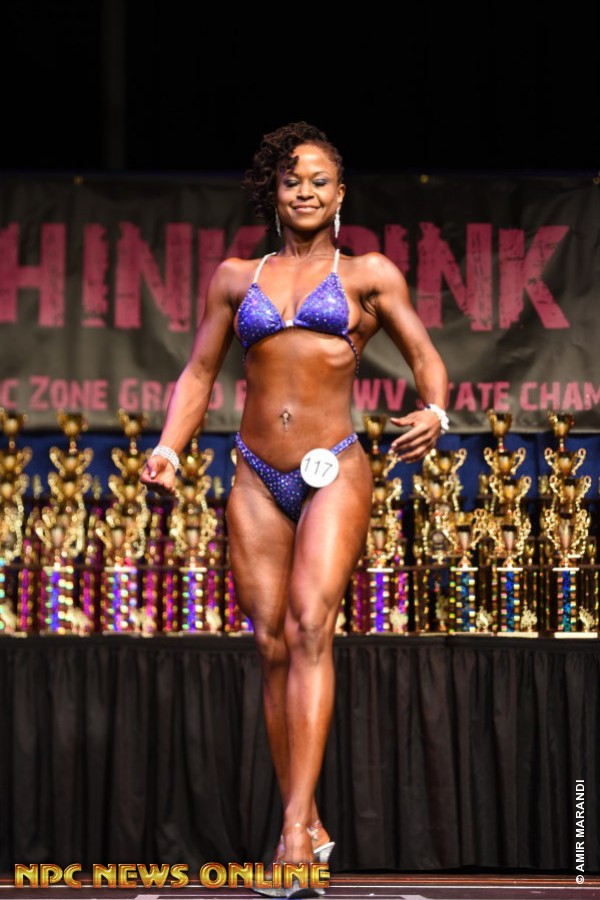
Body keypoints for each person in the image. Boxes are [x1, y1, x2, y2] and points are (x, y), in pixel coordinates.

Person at [141, 121, 449, 897]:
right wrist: (170, 449)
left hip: (334, 468)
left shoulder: (368, 273)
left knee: (312, 626)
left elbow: (425, 357)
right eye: (291, 180)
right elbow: (199, 373)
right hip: (254, 475)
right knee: (273, 645)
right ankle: (305, 820)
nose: (304, 191)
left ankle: (290, 836)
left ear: (340, 194)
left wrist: (436, 410)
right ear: (272, 193)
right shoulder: (235, 278)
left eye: (318, 180)